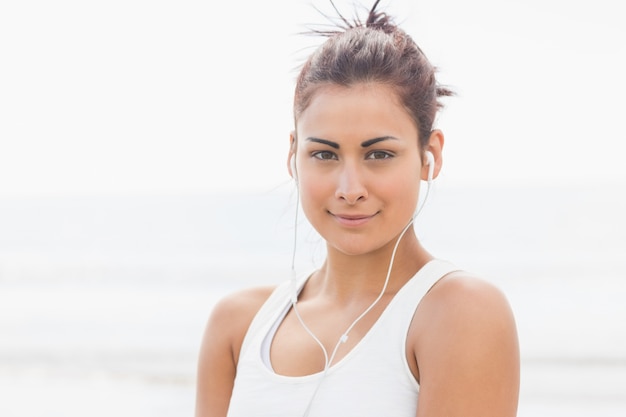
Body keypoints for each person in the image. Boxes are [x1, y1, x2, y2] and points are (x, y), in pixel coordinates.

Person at [195, 1, 520, 416]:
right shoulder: (239, 325)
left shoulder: (458, 313)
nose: (350, 189)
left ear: (429, 154)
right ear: (293, 154)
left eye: (379, 155)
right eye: (325, 155)